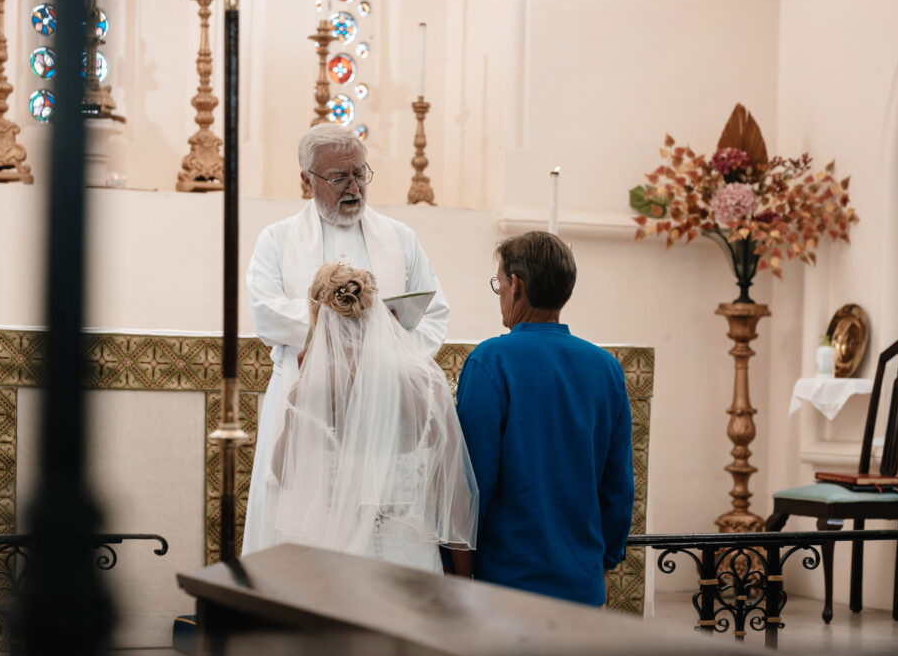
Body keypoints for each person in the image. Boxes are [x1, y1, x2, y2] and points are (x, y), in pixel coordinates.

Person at [242, 124, 449, 555]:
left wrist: (386, 349)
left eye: (360, 174)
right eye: (339, 177)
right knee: (301, 515)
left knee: (383, 525)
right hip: (306, 397)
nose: (354, 187)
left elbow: (433, 313)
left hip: (385, 401)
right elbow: (265, 312)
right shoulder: (277, 240)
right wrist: (344, 326)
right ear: (307, 180)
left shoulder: (399, 237)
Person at [251, 263, 477, 572]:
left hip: (338, 567)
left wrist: (303, 388)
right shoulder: (427, 386)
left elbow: (281, 475)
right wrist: (464, 584)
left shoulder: (309, 391)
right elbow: (457, 501)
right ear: (378, 314)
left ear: (319, 319)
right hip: (413, 566)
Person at [455, 231, 634, 606]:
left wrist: (458, 572)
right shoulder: (606, 369)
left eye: (499, 283)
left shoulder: (491, 362)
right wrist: (604, 560)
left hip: (508, 584)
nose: (500, 294)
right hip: (582, 584)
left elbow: (471, 484)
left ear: (516, 285)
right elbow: (618, 486)